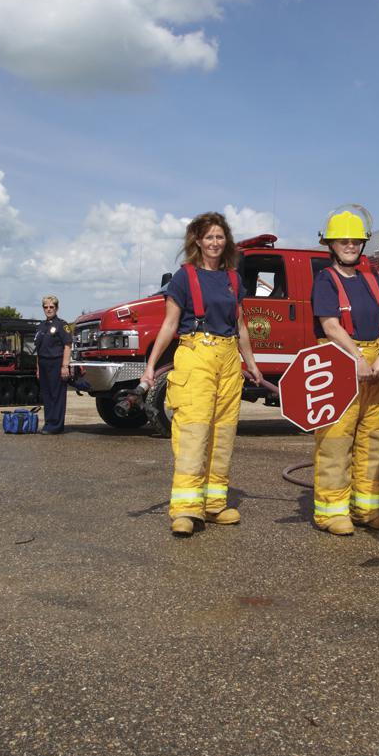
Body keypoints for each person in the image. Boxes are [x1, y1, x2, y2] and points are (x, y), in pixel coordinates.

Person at [140, 212, 264, 537]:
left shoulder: (233, 278)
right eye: (208, 237)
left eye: (219, 236)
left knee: (223, 433)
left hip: (228, 358)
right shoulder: (184, 277)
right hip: (196, 355)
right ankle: (185, 509)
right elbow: (169, 324)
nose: (214, 242)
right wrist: (151, 366)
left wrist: (251, 363)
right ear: (197, 241)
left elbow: (240, 325)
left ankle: (213, 504)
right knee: (193, 434)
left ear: (227, 241)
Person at [309, 207, 379, 536]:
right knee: (336, 438)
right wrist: (357, 356)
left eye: (355, 241)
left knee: (375, 438)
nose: (350, 246)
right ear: (330, 244)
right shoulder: (325, 280)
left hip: (375, 364)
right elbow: (330, 326)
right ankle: (331, 511)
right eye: (343, 241)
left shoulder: (371, 279)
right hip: (340, 362)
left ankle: (368, 509)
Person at [35, 295, 72, 434]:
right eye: (46, 307)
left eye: (51, 307)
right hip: (43, 363)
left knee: (57, 395)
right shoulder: (41, 326)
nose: (48, 309)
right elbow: (38, 349)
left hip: (56, 362)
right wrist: (38, 368)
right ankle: (48, 423)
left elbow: (67, 346)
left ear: (57, 308)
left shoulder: (62, 325)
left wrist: (65, 366)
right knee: (47, 395)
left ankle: (56, 426)